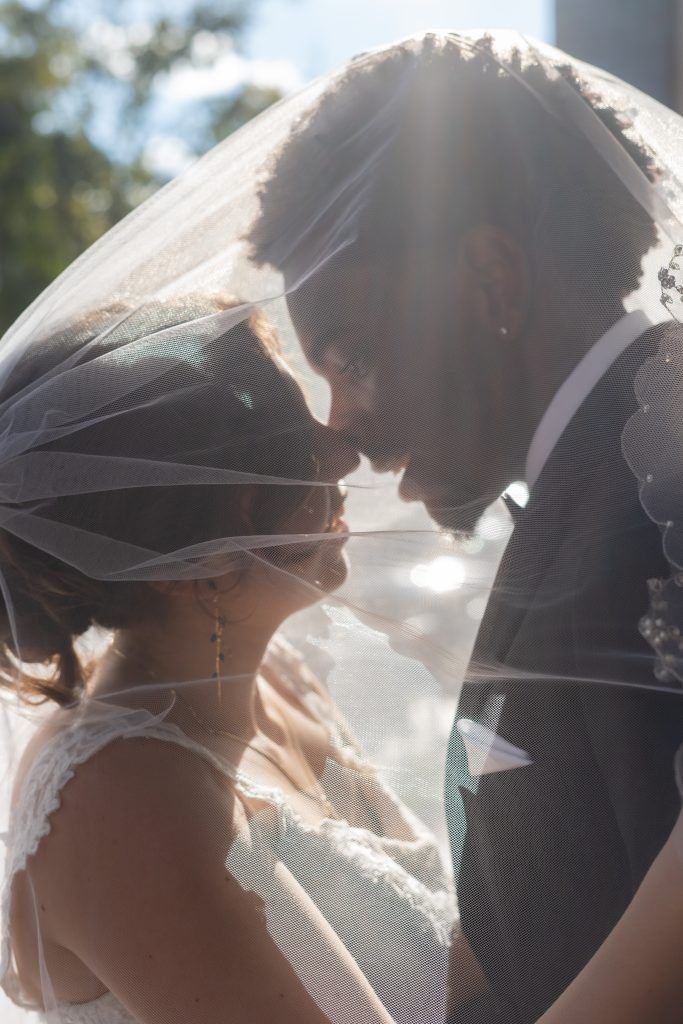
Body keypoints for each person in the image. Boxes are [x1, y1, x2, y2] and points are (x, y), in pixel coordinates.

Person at [247, 31, 683, 1024]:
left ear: (489, 281)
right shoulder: (601, 466)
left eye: (350, 354)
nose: (337, 424)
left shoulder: (658, 474)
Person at [0, 296, 459, 1023]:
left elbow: (449, 972)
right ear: (203, 554)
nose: (343, 452)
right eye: (296, 449)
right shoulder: (120, 800)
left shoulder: (279, 681)